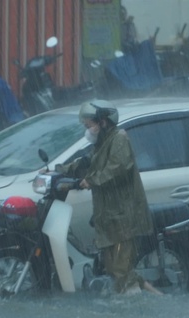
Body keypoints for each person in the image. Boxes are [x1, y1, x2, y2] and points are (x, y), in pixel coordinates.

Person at [62, 99, 161, 295]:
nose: (87, 130)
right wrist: (58, 171)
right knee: (115, 269)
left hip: (123, 217)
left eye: (89, 126)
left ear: (103, 122)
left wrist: (92, 180)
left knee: (120, 268)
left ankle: (134, 308)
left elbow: (118, 168)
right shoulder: (102, 143)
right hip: (110, 217)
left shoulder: (119, 139)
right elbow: (84, 162)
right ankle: (155, 296)